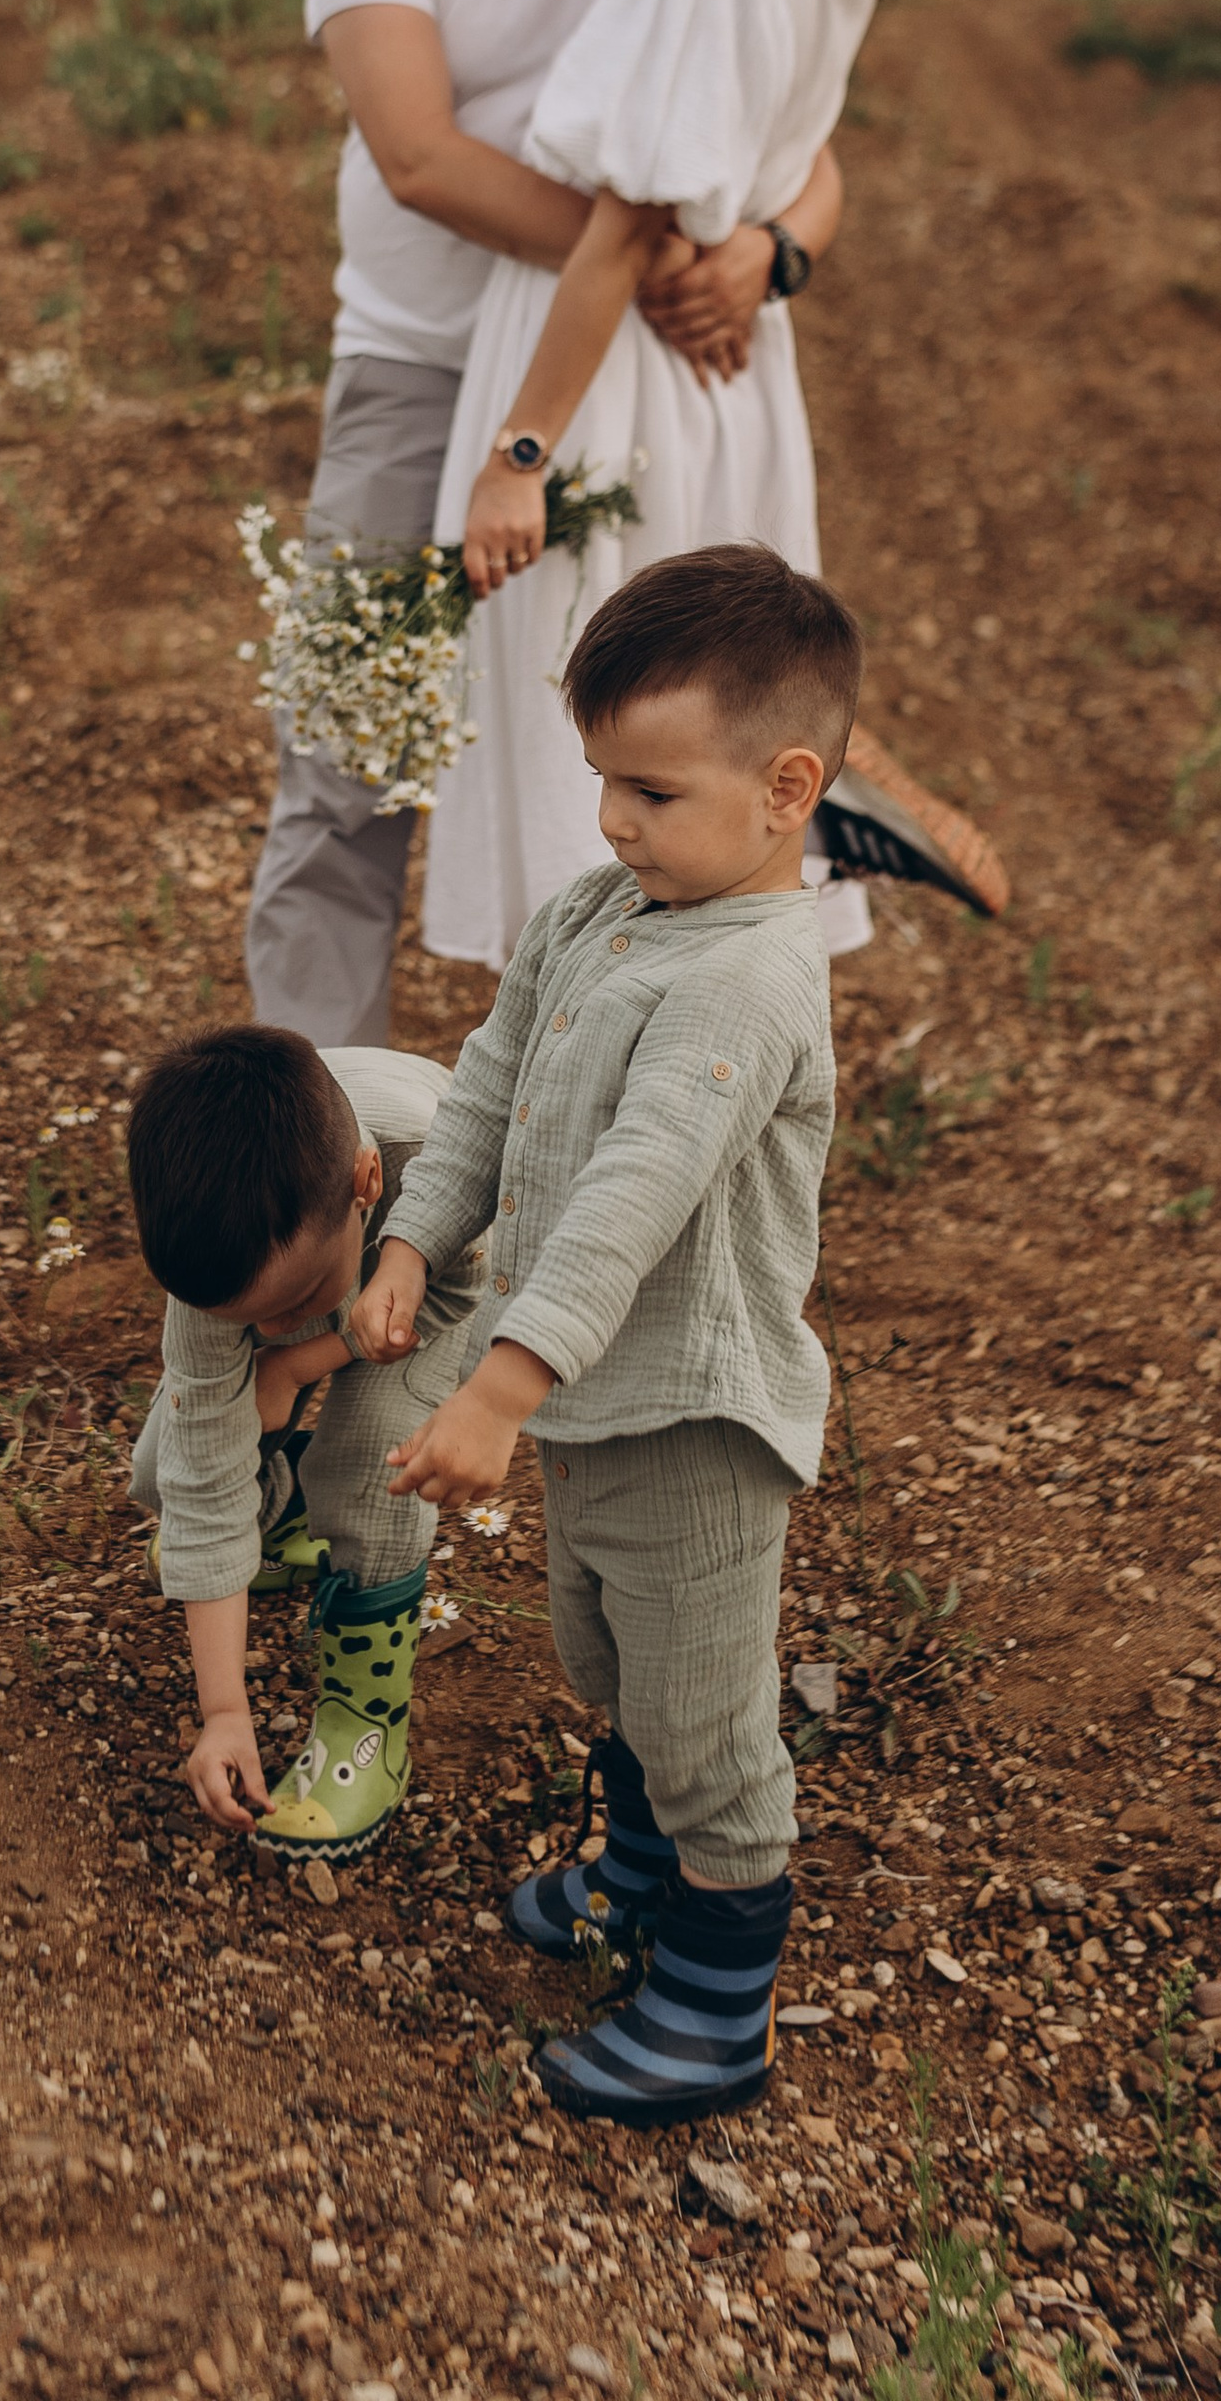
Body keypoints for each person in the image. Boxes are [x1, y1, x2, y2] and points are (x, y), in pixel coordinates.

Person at [247, 0, 844, 1049]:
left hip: (619, 385)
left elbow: (803, 127)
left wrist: (771, 249)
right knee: (351, 743)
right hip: (426, 354)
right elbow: (420, 155)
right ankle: (322, 1132)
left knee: (669, 740)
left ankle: (652, 1085)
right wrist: (641, 248)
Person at [352, 543, 858, 2126]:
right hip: (592, 1398)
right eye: (601, 784)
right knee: (607, 1658)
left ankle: (715, 2009)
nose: (614, 824)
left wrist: (499, 1384)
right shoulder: (601, 911)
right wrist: (417, 1233)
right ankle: (636, 1877)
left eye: (653, 792)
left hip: (693, 1420)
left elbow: (639, 1192)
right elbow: (491, 1081)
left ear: (786, 788)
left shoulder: (752, 982)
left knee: (703, 1721)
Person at [420, 0, 981, 973]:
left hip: (614, 380)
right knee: (697, 707)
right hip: (725, 383)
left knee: (606, 715)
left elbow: (626, 227)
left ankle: (599, 1060)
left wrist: (520, 455)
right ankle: (802, 814)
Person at [126, 1028, 484, 1852]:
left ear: (365, 1187)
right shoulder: (230, 1242)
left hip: (439, 1288)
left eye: (293, 1301)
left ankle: (365, 1722)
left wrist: (301, 1359)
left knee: (370, 1469)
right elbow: (202, 1467)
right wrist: (225, 1714)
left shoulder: (441, 1170)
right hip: (334, 1242)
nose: (271, 1327)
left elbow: (462, 1290)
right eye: (246, 1322)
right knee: (169, 1472)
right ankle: (282, 1523)